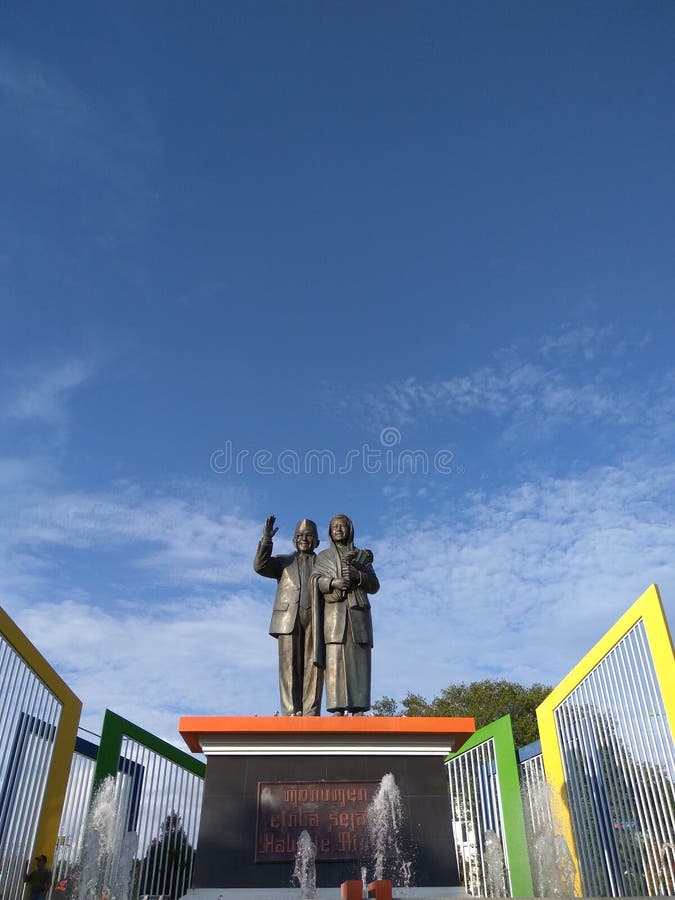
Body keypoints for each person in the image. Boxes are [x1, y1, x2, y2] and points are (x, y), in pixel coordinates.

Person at [254, 515, 324, 716]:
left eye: (309, 535)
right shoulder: (283, 562)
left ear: (317, 541)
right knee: (288, 666)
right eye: (300, 535)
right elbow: (260, 566)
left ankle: (311, 711)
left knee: (315, 665)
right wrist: (267, 540)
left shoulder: (324, 563)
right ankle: (291, 711)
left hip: (316, 619)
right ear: (294, 540)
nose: (304, 538)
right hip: (288, 618)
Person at [311, 514, 379, 715]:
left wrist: (359, 576)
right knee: (335, 659)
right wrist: (333, 583)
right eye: (334, 526)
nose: (338, 529)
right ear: (330, 532)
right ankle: (338, 707)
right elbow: (315, 580)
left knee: (359, 659)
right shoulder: (323, 557)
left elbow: (374, 586)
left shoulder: (361, 556)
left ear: (350, 529)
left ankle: (358, 707)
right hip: (334, 613)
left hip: (358, 612)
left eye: (342, 526)